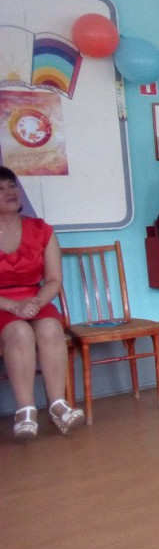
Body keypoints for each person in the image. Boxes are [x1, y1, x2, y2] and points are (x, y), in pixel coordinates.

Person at [0, 166, 84, 440]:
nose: (9, 192)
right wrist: (13, 307)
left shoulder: (41, 229)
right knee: (19, 332)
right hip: (2, 304)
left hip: (36, 298)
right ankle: (25, 411)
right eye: (0, 189)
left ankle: (57, 404)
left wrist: (36, 302)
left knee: (50, 328)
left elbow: (54, 280)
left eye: (11, 186)